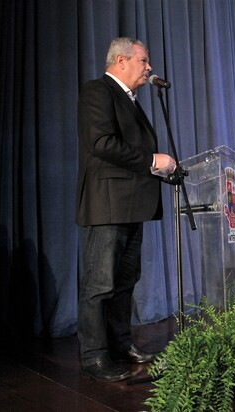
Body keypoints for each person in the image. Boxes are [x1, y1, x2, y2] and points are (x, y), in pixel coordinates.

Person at [75, 37, 177, 382]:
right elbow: (102, 143)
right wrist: (152, 161)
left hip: (133, 205)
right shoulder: (98, 91)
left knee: (124, 282)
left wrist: (163, 169)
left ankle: (120, 345)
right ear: (121, 61)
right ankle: (94, 355)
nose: (149, 68)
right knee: (99, 284)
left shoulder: (130, 100)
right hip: (107, 205)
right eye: (143, 61)